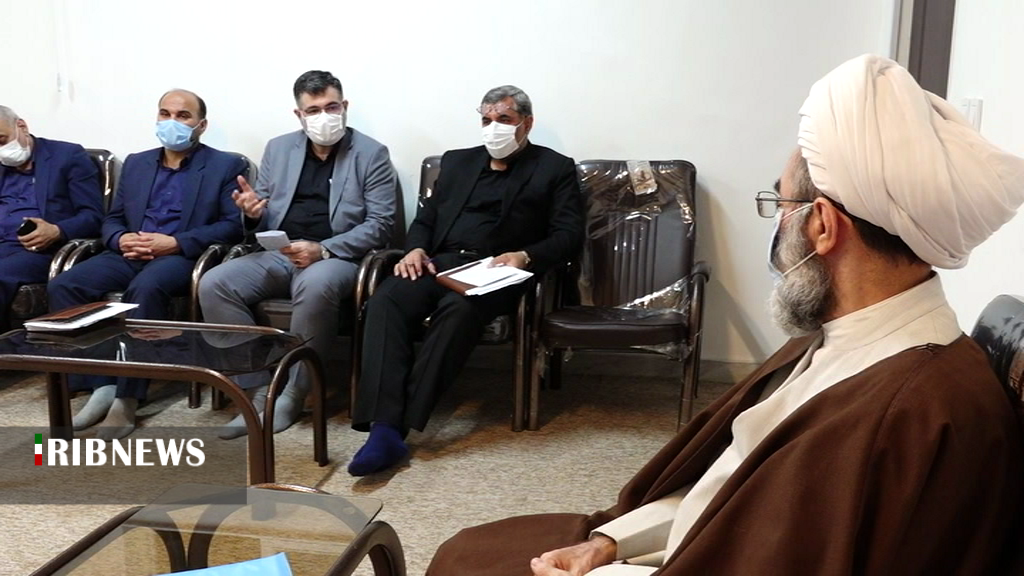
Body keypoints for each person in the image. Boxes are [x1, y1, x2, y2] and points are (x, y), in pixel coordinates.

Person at [427, 55, 1024, 575]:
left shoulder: (915, 412)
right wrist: (610, 543)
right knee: (469, 551)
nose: (777, 222)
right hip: (681, 541)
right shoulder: (843, 338)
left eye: (780, 202)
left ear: (822, 226)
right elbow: (726, 487)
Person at [347, 85, 584, 476]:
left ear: (526, 123)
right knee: (386, 301)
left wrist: (525, 256)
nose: (494, 128)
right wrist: (415, 249)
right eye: (486, 120)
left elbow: (568, 234)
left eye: (504, 119)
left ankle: (393, 428)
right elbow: (426, 219)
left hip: (499, 270)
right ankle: (383, 423)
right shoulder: (457, 162)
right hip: (440, 262)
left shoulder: (554, 168)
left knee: (458, 310)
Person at [198, 70, 398, 438]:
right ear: (299, 115)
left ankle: (293, 395)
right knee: (214, 283)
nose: (324, 116)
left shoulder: (372, 153)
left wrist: (323, 249)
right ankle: (258, 392)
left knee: (315, 284)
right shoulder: (278, 148)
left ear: (345, 106)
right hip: (282, 252)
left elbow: (381, 224)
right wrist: (252, 213)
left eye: (331, 107)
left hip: (338, 257)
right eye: (314, 110)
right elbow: (261, 213)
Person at [48, 89, 246, 440]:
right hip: (128, 253)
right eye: (165, 114)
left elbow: (232, 226)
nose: (172, 122)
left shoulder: (225, 165)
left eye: (183, 116)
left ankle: (126, 397)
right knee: (65, 285)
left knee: (144, 290)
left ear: (201, 125)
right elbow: (113, 217)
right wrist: (119, 238)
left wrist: (176, 242)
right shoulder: (138, 163)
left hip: (179, 256)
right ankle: (101, 384)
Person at [0, 106, 102, 330]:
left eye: (1, 140)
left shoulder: (67, 156)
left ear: (21, 126)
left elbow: (94, 217)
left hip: (40, 250)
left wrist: (57, 231)